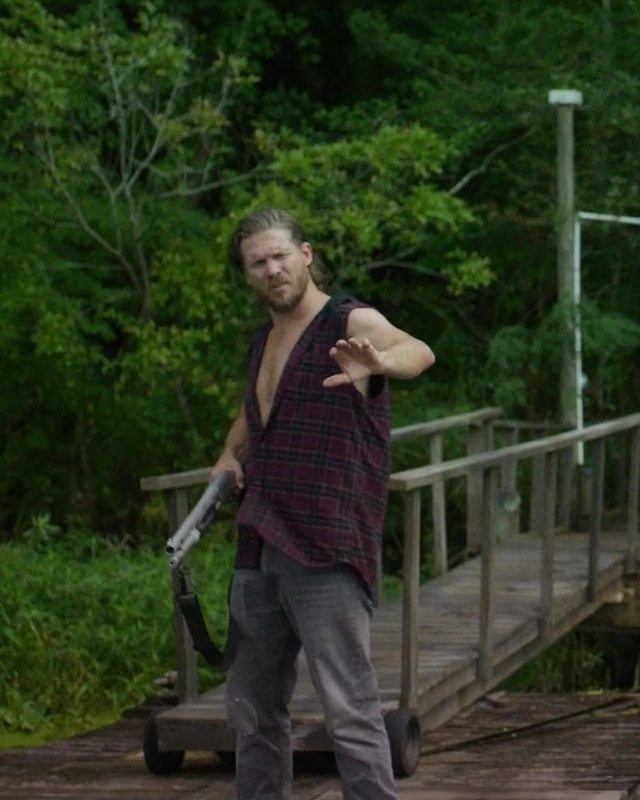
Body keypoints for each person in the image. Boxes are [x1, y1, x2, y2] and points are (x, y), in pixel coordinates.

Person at [209, 207, 436, 800]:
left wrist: (381, 362)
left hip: (326, 543)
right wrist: (229, 455)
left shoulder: (347, 320)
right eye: (258, 263)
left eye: (280, 256)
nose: (272, 269)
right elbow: (255, 412)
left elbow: (417, 350)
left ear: (305, 254)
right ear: (247, 274)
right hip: (258, 540)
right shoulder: (263, 340)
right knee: (252, 710)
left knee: (350, 709)